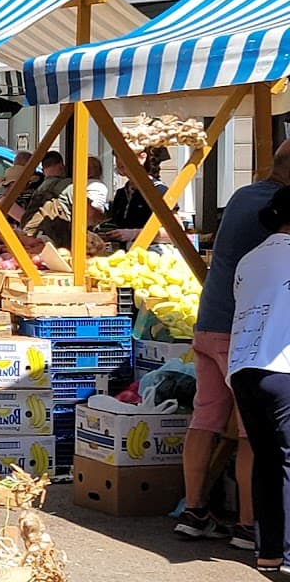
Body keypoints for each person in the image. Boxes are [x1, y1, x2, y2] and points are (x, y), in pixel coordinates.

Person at [176, 141, 290, 546]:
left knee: (204, 420)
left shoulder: (243, 196)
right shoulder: (278, 207)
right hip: (243, 332)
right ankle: (246, 522)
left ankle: (194, 511)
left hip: (208, 321)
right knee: (251, 432)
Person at [226, 186, 290, 573]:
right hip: (284, 366)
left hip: (245, 369)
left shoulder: (250, 259)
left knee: (267, 460)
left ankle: (268, 553)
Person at [105, 148, 174, 244]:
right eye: (116, 155)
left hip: (151, 255)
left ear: (142, 157)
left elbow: (174, 233)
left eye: (124, 155)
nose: (119, 160)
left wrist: (134, 234)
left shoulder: (158, 191)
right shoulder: (121, 193)